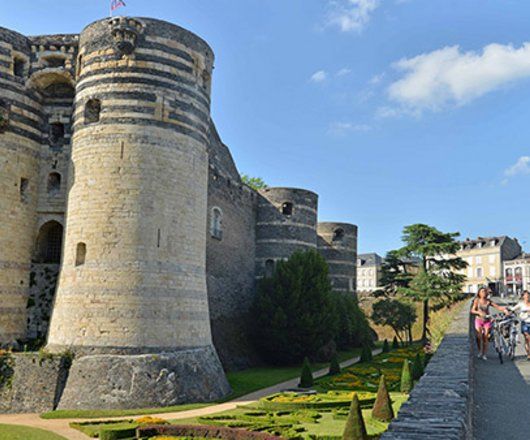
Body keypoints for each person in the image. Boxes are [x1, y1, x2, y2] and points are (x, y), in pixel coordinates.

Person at [471, 287, 508, 360]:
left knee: (485, 337)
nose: (483, 293)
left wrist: (505, 310)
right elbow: (472, 310)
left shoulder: (488, 301)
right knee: (479, 337)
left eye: (484, 291)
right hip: (479, 320)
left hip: (487, 320)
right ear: (479, 293)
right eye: (482, 292)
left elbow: (498, 307)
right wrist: (478, 312)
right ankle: (480, 351)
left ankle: (484, 354)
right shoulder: (477, 301)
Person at [509, 290, 530, 361]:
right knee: (527, 338)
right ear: (523, 296)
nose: (527, 297)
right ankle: (529, 354)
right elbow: (512, 309)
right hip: (525, 323)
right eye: (526, 295)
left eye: (528, 295)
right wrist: (508, 311)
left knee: (528, 339)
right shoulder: (521, 304)